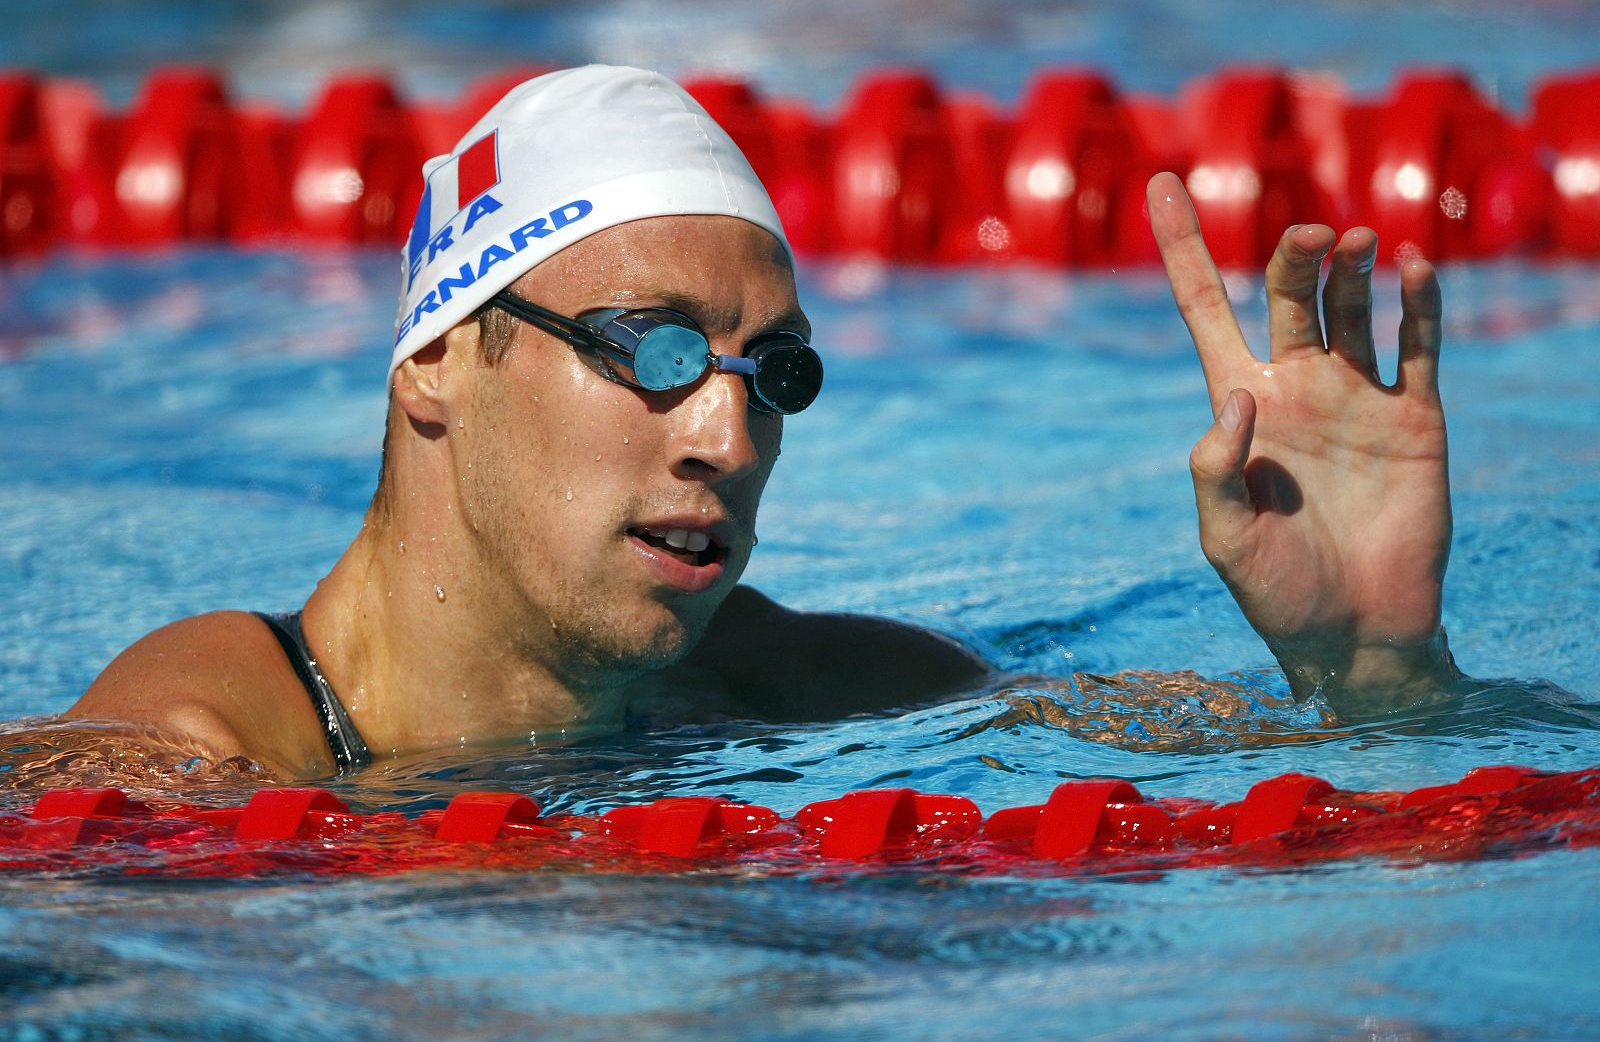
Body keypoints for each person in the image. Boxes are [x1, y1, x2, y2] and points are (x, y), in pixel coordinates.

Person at [63, 65, 1460, 779]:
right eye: (652, 351)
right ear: (438, 359)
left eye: (771, 373)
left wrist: (1376, 668)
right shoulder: (183, 769)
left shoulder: (793, 694)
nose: (727, 442)